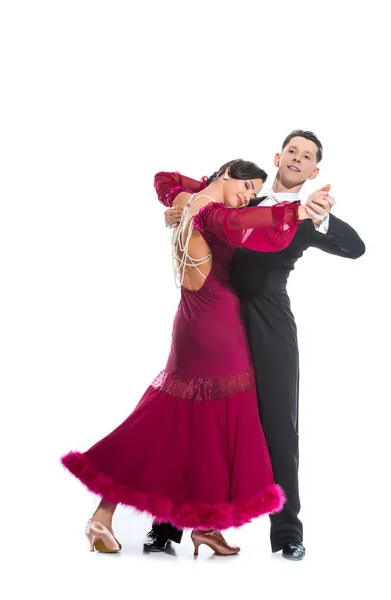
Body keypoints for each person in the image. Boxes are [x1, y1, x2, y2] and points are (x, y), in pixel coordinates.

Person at [61, 159, 320, 556]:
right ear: (227, 174)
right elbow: (238, 227)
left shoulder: (195, 203)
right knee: (209, 420)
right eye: (246, 186)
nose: (247, 196)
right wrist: (297, 211)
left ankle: (144, 519)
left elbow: (164, 179)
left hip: (190, 322)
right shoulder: (214, 214)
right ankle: (187, 524)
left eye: (253, 192)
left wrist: (186, 196)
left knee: (183, 420)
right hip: (219, 324)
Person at [153, 130, 365, 560]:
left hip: (270, 325)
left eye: (307, 156)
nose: (297, 158)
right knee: (197, 414)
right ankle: (168, 526)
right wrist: (180, 206)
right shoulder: (242, 195)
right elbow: (173, 184)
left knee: (279, 429)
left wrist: (320, 217)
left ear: (314, 170)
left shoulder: (305, 217)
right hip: (217, 319)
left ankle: (287, 533)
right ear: (278, 156)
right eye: (292, 151)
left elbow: (356, 249)